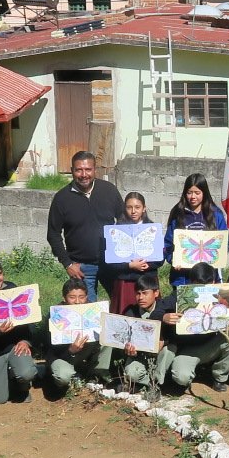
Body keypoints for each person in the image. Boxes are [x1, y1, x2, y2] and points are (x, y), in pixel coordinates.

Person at [45, 151, 123, 301]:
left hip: (112, 263)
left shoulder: (109, 190)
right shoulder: (62, 198)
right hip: (81, 267)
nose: (83, 174)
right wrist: (67, 264)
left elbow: (124, 222)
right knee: (88, 313)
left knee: (121, 305)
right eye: (79, 169)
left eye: (88, 169)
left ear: (95, 170)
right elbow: (53, 234)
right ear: (72, 170)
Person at [162, 263, 229, 390]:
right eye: (198, 284)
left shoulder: (222, 294)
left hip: (209, 345)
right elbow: (158, 310)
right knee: (182, 378)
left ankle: (219, 378)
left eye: (208, 284)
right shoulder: (179, 294)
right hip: (186, 350)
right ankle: (184, 369)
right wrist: (164, 317)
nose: (203, 288)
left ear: (214, 281)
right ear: (190, 282)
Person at [163, 174, 228, 287]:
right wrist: (174, 259)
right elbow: (168, 244)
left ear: (204, 193)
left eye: (197, 193)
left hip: (208, 277)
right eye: (189, 192)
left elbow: (225, 243)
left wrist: (217, 259)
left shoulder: (216, 214)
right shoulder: (177, 213)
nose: (193, 197)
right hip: (183, 278)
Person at [116, 273, 175, 395]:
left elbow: (174, 336)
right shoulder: (130, 312)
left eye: (145, 293)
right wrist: (128, 349)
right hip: (140, 354)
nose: (141, 297)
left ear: (156, 293)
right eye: (138, 293)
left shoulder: (166, 310)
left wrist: (163, 342)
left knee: (169, 350)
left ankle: (158, 383)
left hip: (161, 352)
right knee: (131, 373)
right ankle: (149, 383)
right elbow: (124, 338)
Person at [46, 278, 106, 394]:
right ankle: (59, 381)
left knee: (107, 340)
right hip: (60, 356)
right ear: (64, 298)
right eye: (72, 297)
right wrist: (70, 350)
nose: (77, 301)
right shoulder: (55, 315)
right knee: (63, 376)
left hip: (85, 352)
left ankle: (96, 374)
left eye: (81, 297)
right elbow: (49, 347)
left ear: (87, 296)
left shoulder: (93, 312)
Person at [102, 191, 157, 314]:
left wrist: (148, 265)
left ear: (144, 208)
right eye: (129, 207)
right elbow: (110, 261)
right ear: (124, 208)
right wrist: (129, 266)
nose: (133, 211)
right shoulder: (116, 230)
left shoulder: (152, 228)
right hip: (125, 282)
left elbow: (159, 258)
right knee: (124, 317)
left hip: (147, 280)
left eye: (137, 207)